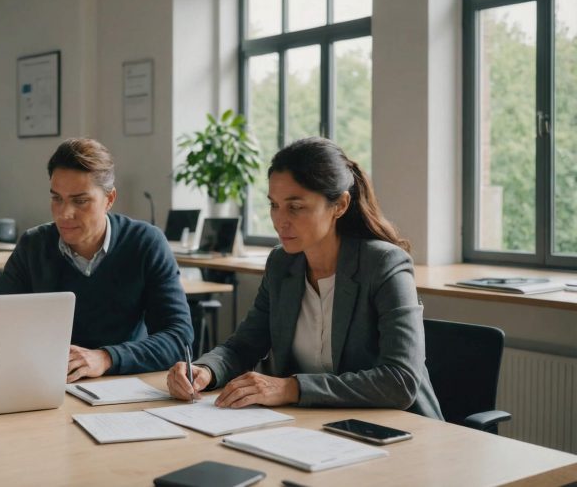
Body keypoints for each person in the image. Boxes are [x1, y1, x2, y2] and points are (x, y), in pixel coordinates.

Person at [166, 137, 442, 419]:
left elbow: (400, 381)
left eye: (295, 207)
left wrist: (291, 388)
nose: (280, 221)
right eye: (274, 205)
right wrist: (205, 371)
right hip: (311, 426)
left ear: (340, 205)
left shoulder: (384, 264)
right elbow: (244, 346)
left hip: (396, 430)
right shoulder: (282, 263)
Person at [0, 138, 193, 383]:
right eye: (57, 198)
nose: (64, 213)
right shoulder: (33, 245)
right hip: (51, 384)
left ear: (109, 199)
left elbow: (178, 337)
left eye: (80, 201)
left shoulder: (145, 243)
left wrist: (106, 358)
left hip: (124, 388)